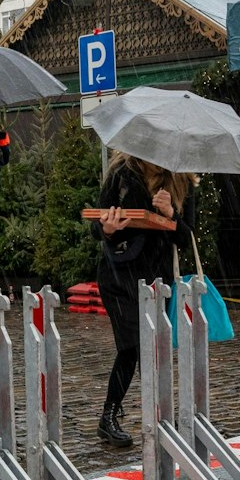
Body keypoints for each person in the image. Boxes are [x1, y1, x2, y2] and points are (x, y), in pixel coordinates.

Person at [92, 151, 193, 447]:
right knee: (132, 346)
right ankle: (110, 416)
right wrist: (107, 229)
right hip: (119, 274)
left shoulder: (181, 179)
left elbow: (187, 238)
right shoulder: (120, 175)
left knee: (156, 346)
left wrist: (171, 215)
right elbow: (96, 226)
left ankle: (161, 416)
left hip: (157, 280)